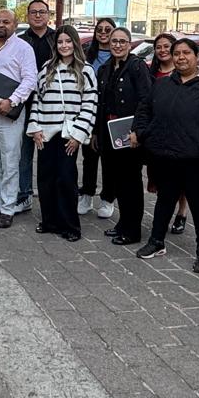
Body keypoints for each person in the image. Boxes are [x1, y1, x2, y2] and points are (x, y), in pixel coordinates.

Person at [130, 38, 199, 270]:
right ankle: (156, 241)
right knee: (164, 201)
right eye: (177, 53)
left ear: (197, 57)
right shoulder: (163, 84)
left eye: (186, 53)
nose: (181, 57)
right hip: (165, 156)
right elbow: (145, 110)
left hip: (195, 160)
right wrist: (146, 134)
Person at [27, 25, 97, 242]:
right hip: (46, 132)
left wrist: (79, 135)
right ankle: (49, 221)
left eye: (68, 41)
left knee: (66, 178)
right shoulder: (47, 68)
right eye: (60, 42)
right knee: (45, 178)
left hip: (69, 134)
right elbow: (37, 99)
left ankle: (70, 225)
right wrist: (35, 127)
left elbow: (90, 104)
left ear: (75, 43)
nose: (64, 45)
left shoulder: (86, 70)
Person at [0, 9, 38, 228]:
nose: (1, 25)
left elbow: (30, 79)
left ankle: (8, 208)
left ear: (15, 24)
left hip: (9, 114)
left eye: (6, 22)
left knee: (10, 162)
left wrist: (11, 101)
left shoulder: (24, 48)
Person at [95, 26, 152, 245]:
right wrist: (96, 133)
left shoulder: (137, 67)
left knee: (131, 182)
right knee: (117, 181)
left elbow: (146, 101)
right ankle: (122, 223)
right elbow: (100, 104)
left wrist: (137, 130)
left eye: (122, 41)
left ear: (129, 44)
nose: (117, 45)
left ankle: (133, 230)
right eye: (114, 41)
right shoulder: (105, 68)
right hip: (109, 132)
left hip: (130, 133)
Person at [14, 0, 55, 214]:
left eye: (42, 12)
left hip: (52, 108)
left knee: (49, 156)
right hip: (24, 104)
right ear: (27, 15)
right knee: (24, 155)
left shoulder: (58, 39)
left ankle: (51, 197)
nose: (38, 16)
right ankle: (24, 195)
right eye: (33, 12)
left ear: (48, 15)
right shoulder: (20, 41)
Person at [147, 31, 189, 234]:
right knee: (159, 179)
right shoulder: (151, 73)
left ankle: (182, 212)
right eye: (158, 47)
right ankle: (162, 215)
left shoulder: (184, 72)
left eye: (166, 46)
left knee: (180, 179)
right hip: (156, 134)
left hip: (180, 135)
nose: (162, 50)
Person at [79, 18, 117, 218]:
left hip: (110, 115)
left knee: (109, 161)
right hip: (90, 113)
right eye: (99, 29)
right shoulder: (87, 55)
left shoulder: (119, 56)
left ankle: (108, 199)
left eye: (108, 29)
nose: (103, 33)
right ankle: (86, 194)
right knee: (89, 158)